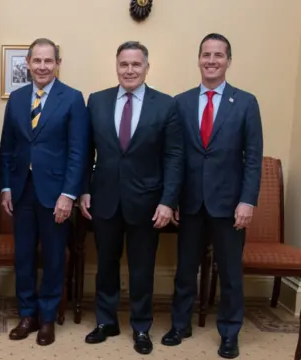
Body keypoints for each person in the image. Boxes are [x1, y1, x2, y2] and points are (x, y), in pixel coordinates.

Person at [163, 33, 263, 359]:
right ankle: (180, 325)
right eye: (206, 54)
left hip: (229, 205)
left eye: (218, 55)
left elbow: (253, 157)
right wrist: (173, 197)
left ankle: (230, 332)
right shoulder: (181, 101)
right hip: (190, 203)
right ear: (198, 59)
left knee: (231, 274)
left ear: (228, 61)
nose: (211, 60)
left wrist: (247, 201)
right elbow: (174, 156)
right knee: (184, 270)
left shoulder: (246, 102)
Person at [80, 41, 183, 355]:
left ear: (147, 68)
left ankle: (141, 327)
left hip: (148, 203)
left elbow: (174, 157)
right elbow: (85, 152)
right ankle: (106, 321)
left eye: (136, 64)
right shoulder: (96, 101)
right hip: (105, 198)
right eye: (124, 64)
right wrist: (84, 189)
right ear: (116, 66)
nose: (129, 70)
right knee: (106, 264)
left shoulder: (166, 105)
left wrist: (168, 200)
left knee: (142, 268)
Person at [0, 38, 88, 346]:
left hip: (56, 196)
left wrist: (69, 195)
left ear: (58, 64)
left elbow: (79, 152)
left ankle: (47, 317)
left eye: (48, 61)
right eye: (36, 61)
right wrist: (7, 186)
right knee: (23, 256)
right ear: (28, 63)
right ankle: (28, 314)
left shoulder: (73, 99)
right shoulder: (18, 98)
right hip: (22, 192)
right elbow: (7, 148)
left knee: (53, 258)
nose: (42, 66)